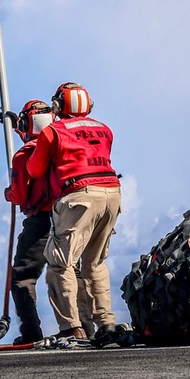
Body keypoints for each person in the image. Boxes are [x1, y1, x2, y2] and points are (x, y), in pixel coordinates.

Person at [25, 81, 130, 349]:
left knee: (60, 263)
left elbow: (35, 170)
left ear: (58, 106)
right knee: (94, 262)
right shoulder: (104, 129)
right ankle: (105, 322)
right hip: (112, 194)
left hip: (78, 197)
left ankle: (72, 328)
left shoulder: (53, 132)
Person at [3, 100, 95, 345]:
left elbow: (20, 194)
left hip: (40, 221)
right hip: (68, 216)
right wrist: (16, 126)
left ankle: (31, 332)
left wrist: (9, 193)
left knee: (23, 276)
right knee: (71, 270)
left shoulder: (24, 156)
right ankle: (86, 327)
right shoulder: (63, 146)